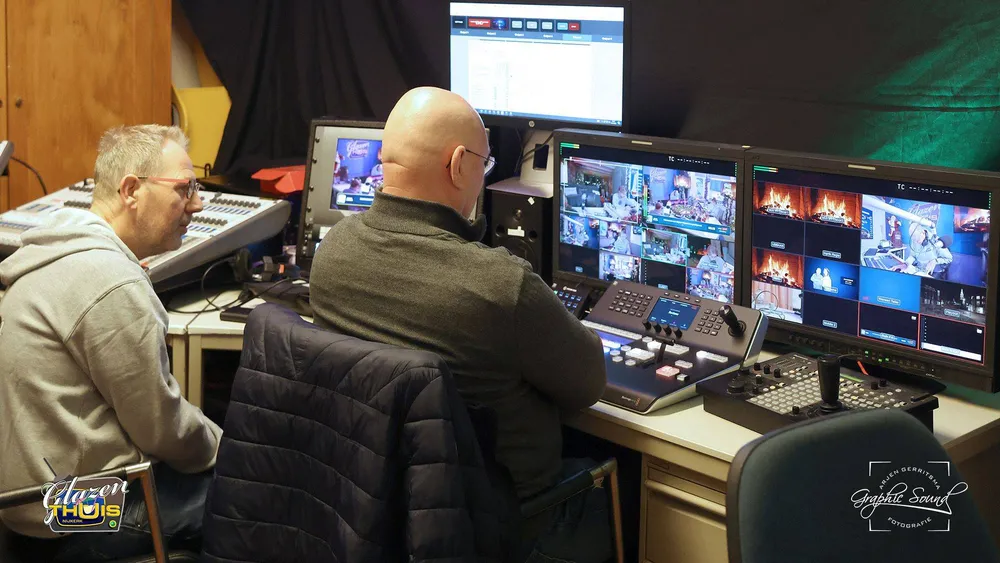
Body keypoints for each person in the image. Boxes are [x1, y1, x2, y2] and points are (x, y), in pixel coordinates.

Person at [309, 87, 609, 563]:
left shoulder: (332, 253)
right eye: (484, 164)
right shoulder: (501, 285)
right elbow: (588, 383)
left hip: (375, 511)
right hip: (505, 521)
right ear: (456, 166)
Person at [0, 125, 222, 562]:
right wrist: (228, 448)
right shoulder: (110, 281)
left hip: (29, 502)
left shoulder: (58, 248)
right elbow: (162, 430)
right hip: (66, 511)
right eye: (185, 188)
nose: (197, 203)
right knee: (254, 499)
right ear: (132, 190)